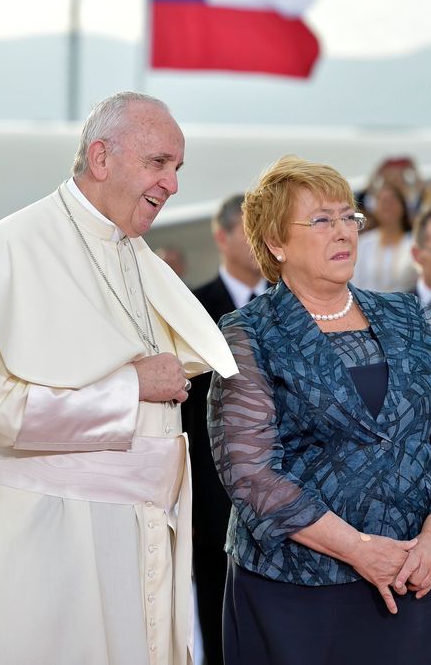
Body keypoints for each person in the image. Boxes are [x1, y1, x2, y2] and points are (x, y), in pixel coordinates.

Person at [0, 91, 238, 665]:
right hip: (48, 542)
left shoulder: (135, 254)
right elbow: (6, 417)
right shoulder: (14, 248)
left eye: (178, 169)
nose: (173, 185)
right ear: (101, 158)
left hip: (138, 540)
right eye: (159, 164)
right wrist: (131, 386)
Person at [208, 155, 431, 665]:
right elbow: (249, 473)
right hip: (297, 595)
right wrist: (360, 549)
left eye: (348, 217)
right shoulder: (246, 334)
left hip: (416, 580)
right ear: (275, 242)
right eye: (321, 220)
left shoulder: (411, 317)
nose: (343, 232)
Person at [182, 194, 268, 665]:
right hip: (213, 505)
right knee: (218, 632)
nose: (258, 243)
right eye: (246, 231)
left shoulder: (287, 306)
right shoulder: (194, 308)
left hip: (285, 506)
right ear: (221, 236)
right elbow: (187, 416)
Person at [354, 182, 417, 293]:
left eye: (392, 202)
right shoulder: (364, 243)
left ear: (402, 206)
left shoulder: (413, 243)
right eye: (382, 201)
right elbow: (355, 281)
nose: (387, 206)